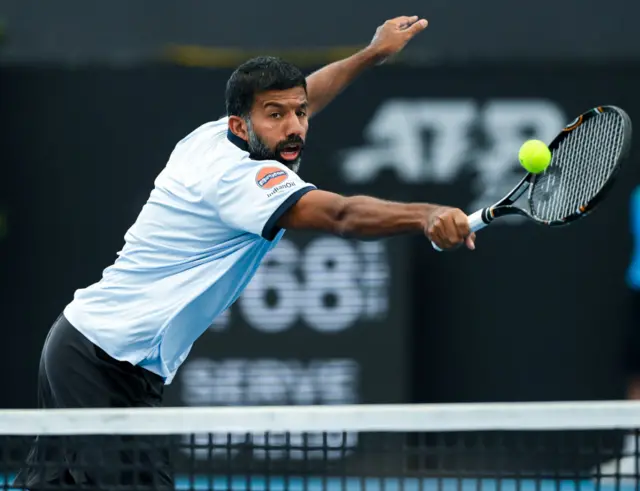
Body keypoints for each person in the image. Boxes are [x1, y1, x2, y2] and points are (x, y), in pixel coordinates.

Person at [14, 15, 476, 490]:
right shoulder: (239, 178)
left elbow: (307, 93)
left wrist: (370, 54)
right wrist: (426, 214)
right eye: (276, 115)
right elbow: (341, 215)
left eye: (299, 113)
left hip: (81, 344)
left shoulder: (215, 135)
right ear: (242, 122)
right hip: (105, 362)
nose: (294, 126)